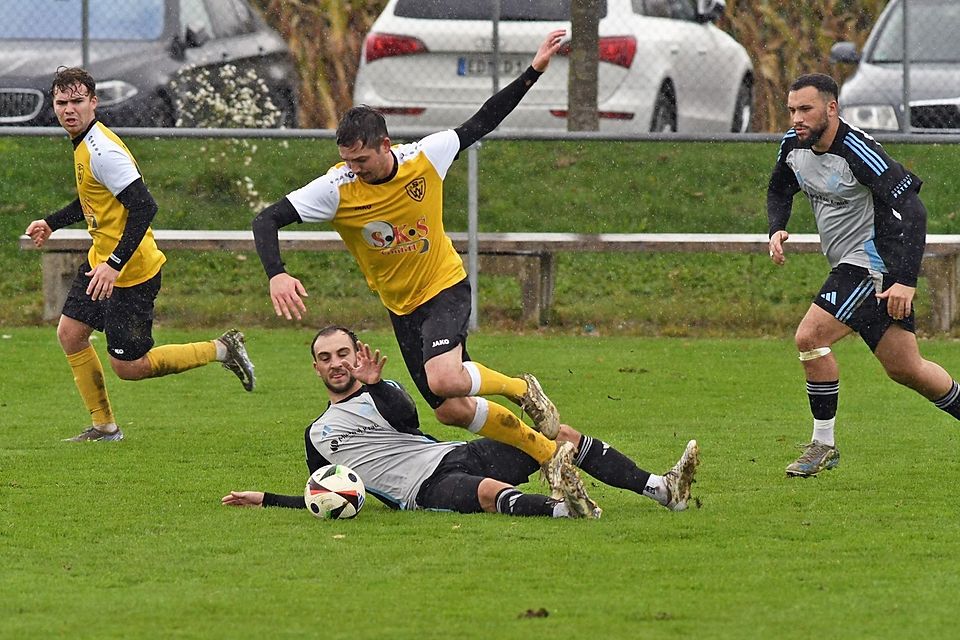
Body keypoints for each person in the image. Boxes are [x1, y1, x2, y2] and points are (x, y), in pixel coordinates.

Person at [252, 32, 572, 481]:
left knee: (444, 379)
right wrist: (277, 274)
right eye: (347, 161)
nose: (354, 169)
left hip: (443, 286)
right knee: (452, 411)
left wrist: (533, 71)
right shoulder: (336, 188)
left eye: (361, 160)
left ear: (385, 145)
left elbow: (483, 121)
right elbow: (266, 221)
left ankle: (522, 389)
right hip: (401, 307)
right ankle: (557, 455)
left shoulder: (426, 156)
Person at [221, 326, 700, 519]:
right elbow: (321, 490)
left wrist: (372, 384)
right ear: (317, 369)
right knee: (489, 492)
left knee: (557, 436)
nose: (337, 363)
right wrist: (266, 500)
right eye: (326, 358)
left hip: (451, 456)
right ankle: (568, 509)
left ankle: (660, 488)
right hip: (420, 492)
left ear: (357, 356)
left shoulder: (379, 395)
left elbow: (407, 418)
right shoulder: (317, 434)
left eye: (343, 353)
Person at [24, 67, 256, 442]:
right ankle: (104, 428)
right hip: (104, 262)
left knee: (130, 367)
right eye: (62, 102)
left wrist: (115, 265)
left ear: (93, 103)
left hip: (130, 271)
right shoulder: (83, 143)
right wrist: (53, 222)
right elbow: (95, 200)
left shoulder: (103, 151)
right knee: (70, 334)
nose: (69, 109)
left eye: (77, 101)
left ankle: (222, 349)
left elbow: (145, 207)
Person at [767, 72, 960, 477]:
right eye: (791, 110)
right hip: (851, 264)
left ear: (831, 108)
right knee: (907, 368)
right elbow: (780, 188)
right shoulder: (794, 145)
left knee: (810, 336)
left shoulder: (857, 150)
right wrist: (777, 226)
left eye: (806, 109)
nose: (796, 118)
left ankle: (823, 445)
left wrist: (905, 280)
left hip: (873, 264)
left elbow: (914, 210)